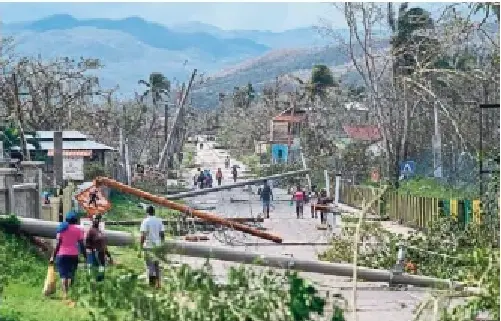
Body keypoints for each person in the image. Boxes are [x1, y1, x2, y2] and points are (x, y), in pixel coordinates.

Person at [50, 212, 86, 301]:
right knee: (71, 274)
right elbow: (81, 245)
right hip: (73, 255)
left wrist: (52, 257)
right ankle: (71, 292)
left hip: (62, 255)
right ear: (75, 221)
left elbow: (58, 245)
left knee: (63, 275)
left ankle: (65, 294)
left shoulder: (61, 229)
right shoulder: (79, 230)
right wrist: (85, 255)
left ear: (67, 220)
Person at [140, 205, 165, 289]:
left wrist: (141, 246)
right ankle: (158, 284)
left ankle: (152, 285)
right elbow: (162, 234)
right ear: (154, 212)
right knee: (156, 266)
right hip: (157, 246)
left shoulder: (145, 221)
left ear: (147, 212)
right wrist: (162, 245)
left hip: (148, 246)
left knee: (150, 266)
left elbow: (143, 235)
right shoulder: (159, 221)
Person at [85, 214, 113, 282]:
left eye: (98, 219)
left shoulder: (100, 231)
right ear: (92, 221)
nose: (96, 221)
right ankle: (95, 285)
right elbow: (87, 245)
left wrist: (109, 255)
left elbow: (104, 245)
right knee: (96, 272)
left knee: (101, 272)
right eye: (95, 219)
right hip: (95, 254)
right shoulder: (91, 231)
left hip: (102, 253)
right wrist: (90, 256)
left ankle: (100, 285)